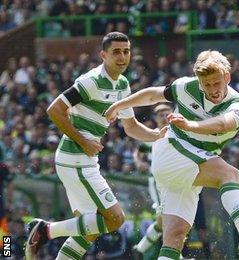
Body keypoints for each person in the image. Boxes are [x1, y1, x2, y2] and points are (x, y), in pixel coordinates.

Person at [104, 50, 239, 258]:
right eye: (207, 85)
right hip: (172, 150)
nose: (213, 90)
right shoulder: (186, 86)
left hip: (189, 166)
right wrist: (120, 104)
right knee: (230, 175)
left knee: (175, 237)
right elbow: (153, 94)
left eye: (217, 83)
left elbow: (223, 124)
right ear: (199, 81)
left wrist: (192, 125)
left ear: (228, 78)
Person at [25, 32, 167, 260]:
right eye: (116, 52)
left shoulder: (122, 84)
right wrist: (83, 141)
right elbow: (54, 109)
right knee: (115, 219)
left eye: (126, 51)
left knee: (89, 230)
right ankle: (45, 230)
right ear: (103, 55)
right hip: (75, 159)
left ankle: (44, 233)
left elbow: (130, 127)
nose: (122, 56)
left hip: (83, 160)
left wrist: (158, 135)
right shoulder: (90, 81)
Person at [132, 103, 172, 256]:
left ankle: (140, 249)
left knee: (166, 220)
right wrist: (139, 162)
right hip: (158, 182)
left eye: (166, 113)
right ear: (155, 118)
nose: (163, 117)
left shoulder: (180, 132)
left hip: (177, 181)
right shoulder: (152, 135)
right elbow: (138, 151)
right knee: (166, 218)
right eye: (160, 114)